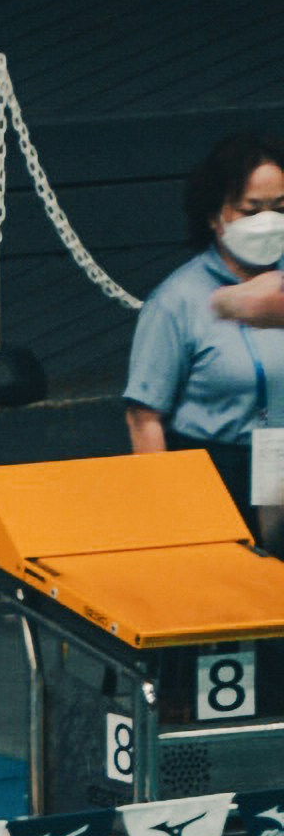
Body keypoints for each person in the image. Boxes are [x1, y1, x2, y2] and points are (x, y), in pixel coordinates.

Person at [124, 131, 284, 535]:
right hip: (215, 469)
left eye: (280, 208)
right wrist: (169, 509)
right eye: (250, 210)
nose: (268, 222)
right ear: (215, 216)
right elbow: (144, 417)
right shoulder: (177, 300)